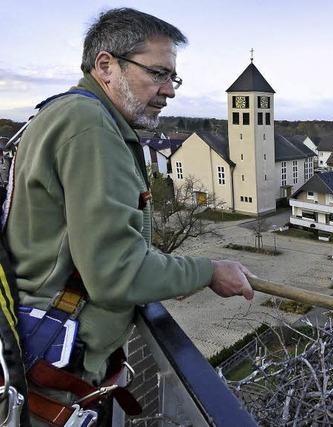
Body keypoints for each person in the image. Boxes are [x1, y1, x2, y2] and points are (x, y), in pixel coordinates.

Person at [4, 7, 254, 425]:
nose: (169, 90)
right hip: (52, 377)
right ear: (106, 66)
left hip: (41, 365)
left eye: (173, 77)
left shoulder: (61, 113)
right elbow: (116, 272)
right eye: (157, 73)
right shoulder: (90, 126)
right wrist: (210, 270)